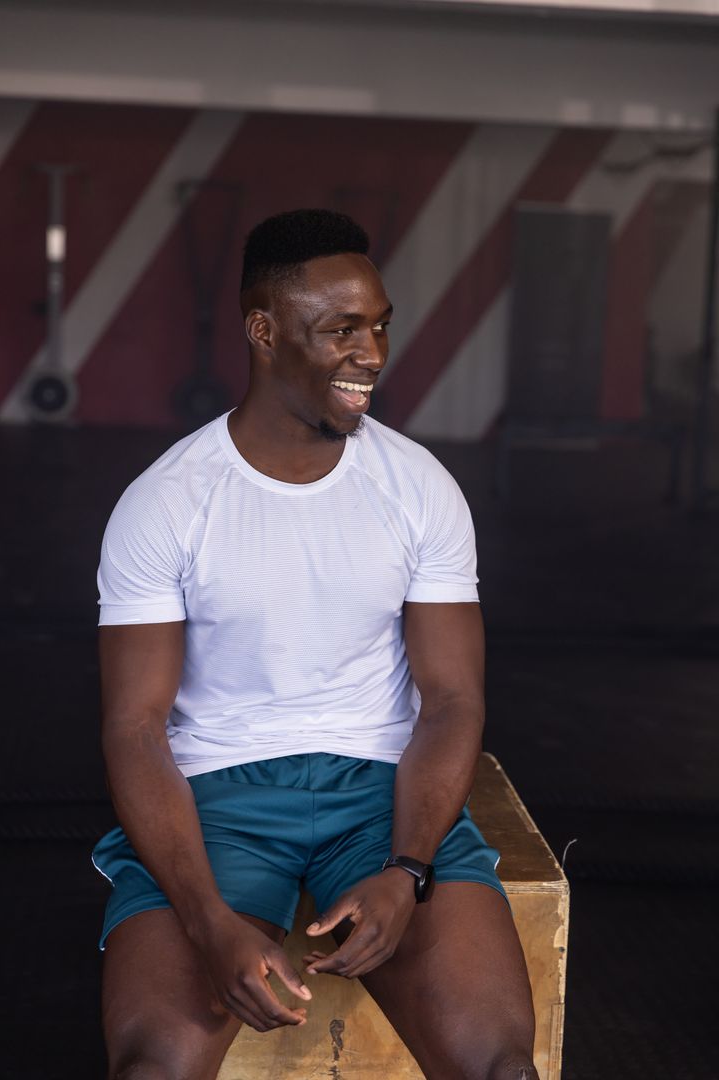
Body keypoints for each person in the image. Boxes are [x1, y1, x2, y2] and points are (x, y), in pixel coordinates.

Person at [92, 208, 538, 1080]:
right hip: (216, 797)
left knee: (501, 1070)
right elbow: (135, 730)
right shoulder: (168, 501)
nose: (372, 352)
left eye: (379, 326)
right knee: (153, 1069)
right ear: (263, 332)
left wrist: (409, 869)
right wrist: (206, 919)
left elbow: (452, 701)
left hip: (379, 792)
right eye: (342, 329)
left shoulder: (418, 489)